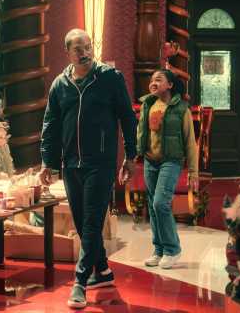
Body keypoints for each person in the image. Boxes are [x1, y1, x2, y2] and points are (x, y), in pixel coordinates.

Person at [39, 28, 137, 309]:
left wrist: (130, 155)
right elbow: (50, 125)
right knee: (83, 223)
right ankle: (102, 270)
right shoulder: (60, 85)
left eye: (88, 46)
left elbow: (127, 118)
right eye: (78, 48)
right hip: (71, 163)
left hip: (101, 163)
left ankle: (80, 282)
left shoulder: (110, 78)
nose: (84, 52)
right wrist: (48, 162)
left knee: (93, 221)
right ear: (68, 52)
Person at [136, 69, 198, 270]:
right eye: (151, 80)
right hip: (150, 161)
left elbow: (190, 141)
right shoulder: (148, 104)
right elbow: (140, 133)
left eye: (158, 79)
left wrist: (193, 171)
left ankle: (172, 249)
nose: (153, 83)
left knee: (160, 203)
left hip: (171, 161)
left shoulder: (181, 109)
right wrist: (133, 157)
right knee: (153, 206)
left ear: (170, 85)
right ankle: (159, 250)